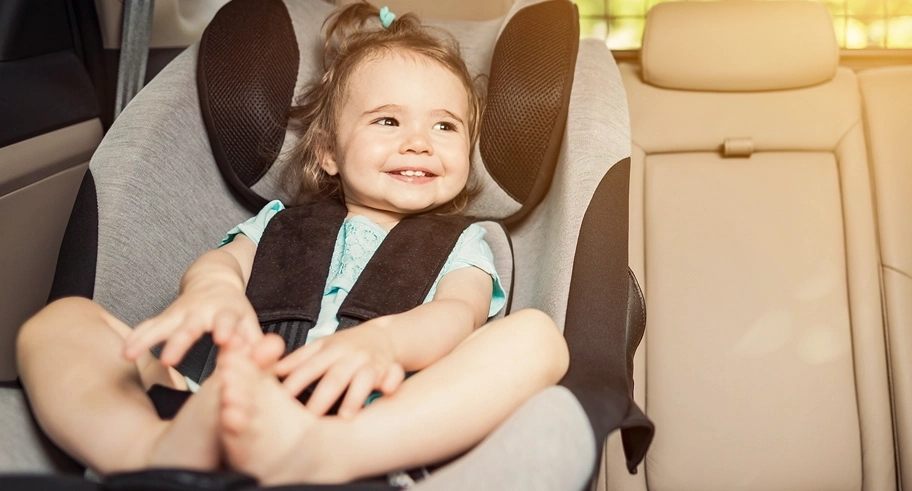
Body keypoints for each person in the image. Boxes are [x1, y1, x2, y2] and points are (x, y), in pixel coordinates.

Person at [15, 2, 569, 485]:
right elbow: (223, 263)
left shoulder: (465, 242)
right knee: (60, 323)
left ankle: (322, 455)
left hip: (371, 421)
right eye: (388, 121)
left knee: (538, 339)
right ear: (327, 152)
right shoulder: (279, 223)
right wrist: (213, 293)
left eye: (446, 127)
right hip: (223, 401)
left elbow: (458, 314)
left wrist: (387, 345)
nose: (420, 143)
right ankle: (148, 452)